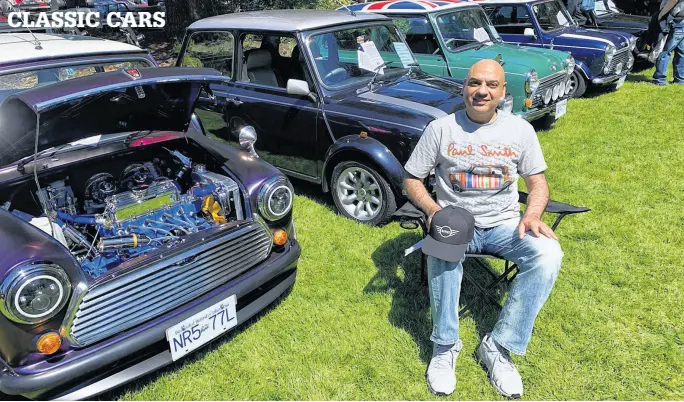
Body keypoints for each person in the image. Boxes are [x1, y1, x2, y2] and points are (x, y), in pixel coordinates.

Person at [403, 59, 563, 398]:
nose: (482, 91)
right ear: (464, 88)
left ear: (504, 92)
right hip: (457, 220)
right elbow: (411, 178)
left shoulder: (520, 130)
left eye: (491, 85)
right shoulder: (441, 129)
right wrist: (433, 210)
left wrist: (533, 214)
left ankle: (499, 347)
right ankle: (445, 347)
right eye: (475, 83)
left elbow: (538, 183)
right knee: (444, 243)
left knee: (549, 254)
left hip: (506, 224)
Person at [652, 0, 684, 85]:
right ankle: (680, 80)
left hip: (675, 21)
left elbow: (673, 0)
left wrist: (661, 15)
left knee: (665, 51)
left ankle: (659, 79)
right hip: (681, 21)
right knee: (681, 52)